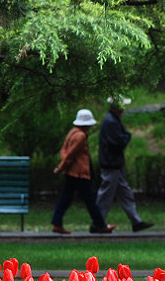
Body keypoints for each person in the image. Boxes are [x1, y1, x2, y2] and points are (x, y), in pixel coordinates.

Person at [52, 108, 116, 234]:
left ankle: (57, 223)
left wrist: (64, 164)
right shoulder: (80, 136)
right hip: (79, 173)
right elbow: (71, 153)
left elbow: (64, 150)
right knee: (90, 200)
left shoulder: (72, 132)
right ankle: (100, 225)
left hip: (71, 173)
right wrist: (61, 166)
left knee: (65, 199)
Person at [97, 96, 154, 232]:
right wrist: (126, 137)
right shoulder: (111, 122)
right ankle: (97, 222)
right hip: (112, 164)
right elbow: (118, 142)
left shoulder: (112, 120)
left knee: (125, 193)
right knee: (106, 195)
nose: (123, 109)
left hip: (114, 164)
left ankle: (136, 221)